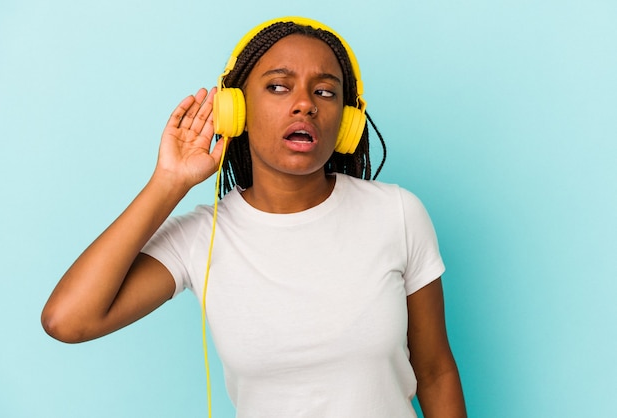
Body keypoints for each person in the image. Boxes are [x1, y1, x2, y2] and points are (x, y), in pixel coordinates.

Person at [42, 17, 466, 418]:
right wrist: (169, 182)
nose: (304, 104)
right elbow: (68, 320)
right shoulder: (201, 237)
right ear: (236, 111)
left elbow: (435, 371)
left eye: (325, 91)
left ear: (347, 120)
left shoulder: (396, 212)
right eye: (280, 87)